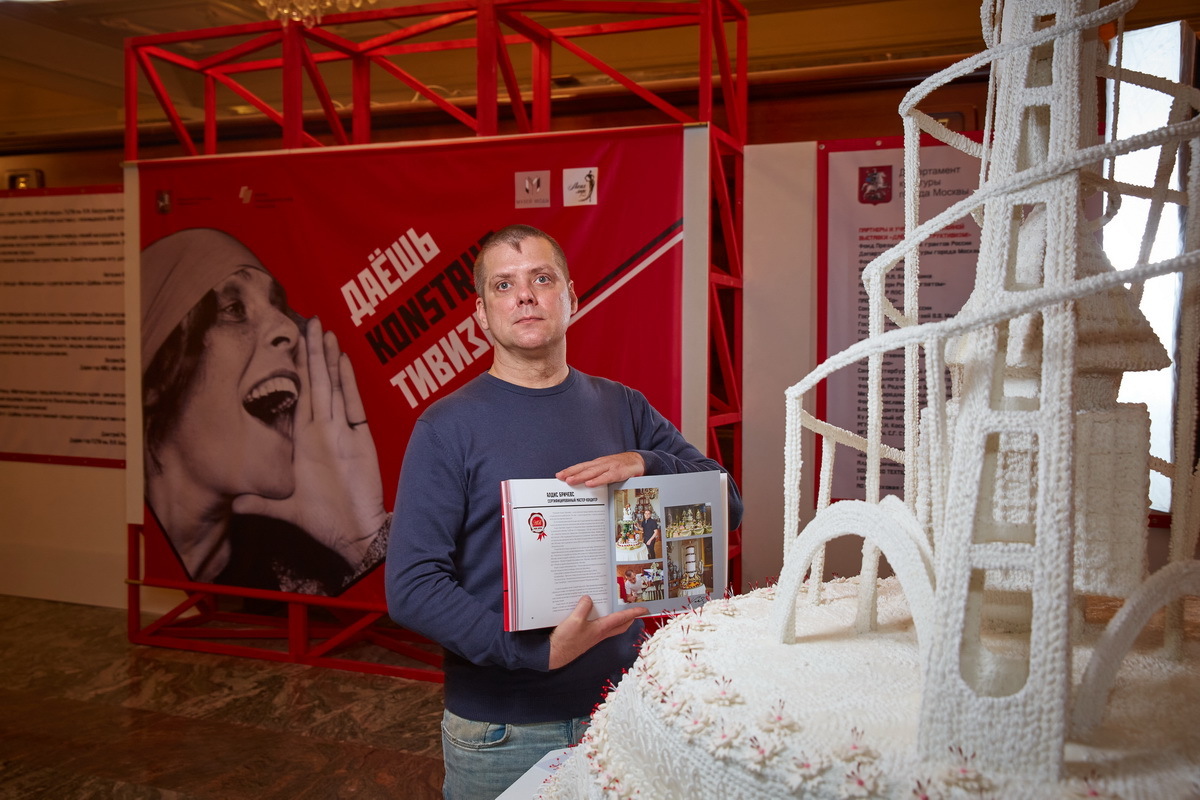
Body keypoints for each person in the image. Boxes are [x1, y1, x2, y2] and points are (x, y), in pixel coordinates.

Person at [385, 224, 743, 800]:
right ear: (482, 314)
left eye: (541, 279)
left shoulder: (622, 406)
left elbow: (728, 502)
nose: (525, 295)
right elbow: (412, 586)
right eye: (504, 284)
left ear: (570, 297)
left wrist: (648, 464)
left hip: (622, 712)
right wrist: (530, 652)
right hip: (504, 731)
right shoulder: (446, 427)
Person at [141, 228, 389, 595]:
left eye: (278, 305)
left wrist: (361, 539)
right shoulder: (104, 545)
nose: (288, 327)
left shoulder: (300, 572)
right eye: (233, 310)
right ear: (157, 376)